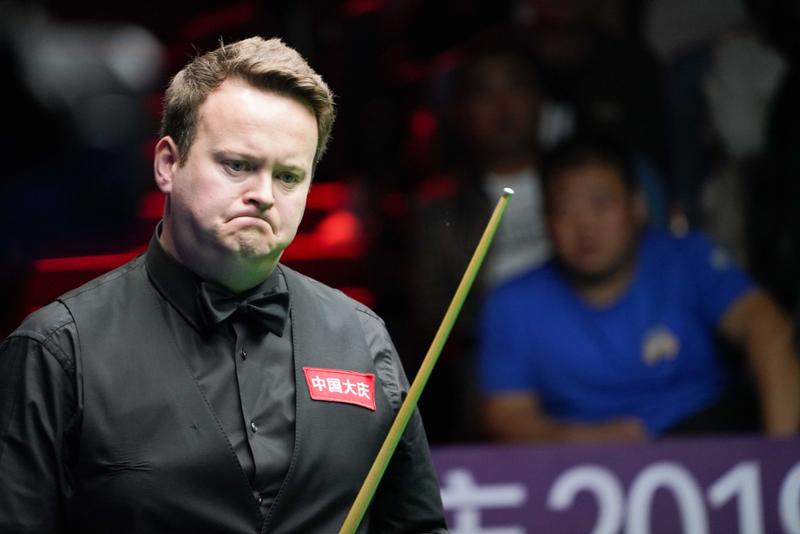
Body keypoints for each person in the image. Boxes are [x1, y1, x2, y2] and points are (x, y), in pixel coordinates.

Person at [0, 37, 447, 533]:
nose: (263, 195)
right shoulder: (59, 350)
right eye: (238, 165)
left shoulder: (360, 338)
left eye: (288, 176)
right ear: (168, 164)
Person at [479, 136, 800, 442]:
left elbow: (768, 330)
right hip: (578, 463)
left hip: (709, 443)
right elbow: (508, 415)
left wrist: (780, 460)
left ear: (637, 206)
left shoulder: (688, 259)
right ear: (545, 220)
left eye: (601, 203)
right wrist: (597, 443)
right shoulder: (510, 302)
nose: (585, 224)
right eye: (564, 209)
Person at [408, 35, 550, 443]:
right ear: (461, 111)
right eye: (483, 91)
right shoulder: (438, 207)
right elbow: (430, 317)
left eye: (515, 84)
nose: (503, 104)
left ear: (540, 99)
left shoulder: (580, 181)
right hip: (486, 369)